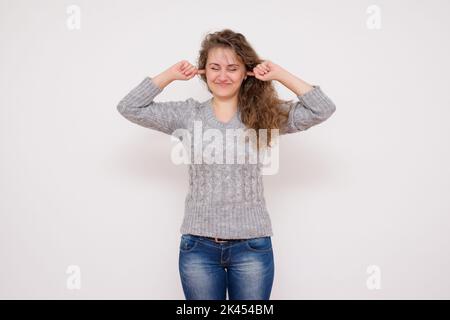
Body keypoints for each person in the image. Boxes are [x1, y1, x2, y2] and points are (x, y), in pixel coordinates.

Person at [116, 29, 336, 300]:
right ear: (203, 72)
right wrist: (169, 75)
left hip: (252, 247)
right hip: (198, 247)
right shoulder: (188, 114)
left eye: (233, 68)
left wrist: (280, 73)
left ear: (247, 72)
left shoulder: (264, 115)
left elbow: (322, 108)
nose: (223, 76)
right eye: (215, 67)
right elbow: (129, 107)